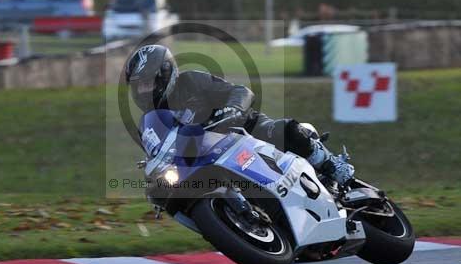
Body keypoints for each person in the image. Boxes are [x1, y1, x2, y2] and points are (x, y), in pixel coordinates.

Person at [124, 44, 355, 184]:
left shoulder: (192, 80)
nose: (144, 91)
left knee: (286, 130)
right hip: (206, 160)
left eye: (148, 83)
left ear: (165, 74)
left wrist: (234, 108)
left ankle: (331, 166)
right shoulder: (149, 124)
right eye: (139, 86)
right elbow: (159, 157)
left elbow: (240, 91)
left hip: (244, 130)